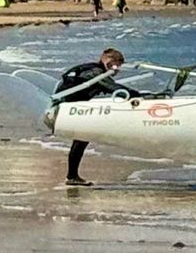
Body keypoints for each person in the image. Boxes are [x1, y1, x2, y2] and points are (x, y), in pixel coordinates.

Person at [53, 47, 141, 185]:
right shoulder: (95, 73)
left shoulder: (91, 69)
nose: (118, 70)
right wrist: (139, 95)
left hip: (69, 107)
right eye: (117, 66)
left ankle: (72, 176)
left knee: (81, 139)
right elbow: (113, 88)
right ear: (109, 62)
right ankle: (72, 177)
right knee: (81, 139)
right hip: (69, 110)